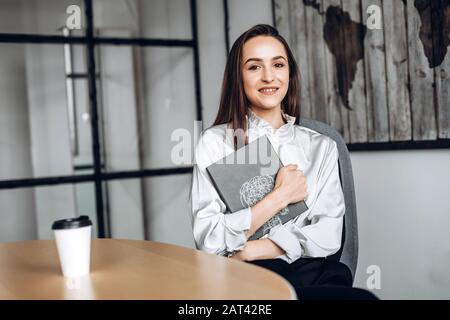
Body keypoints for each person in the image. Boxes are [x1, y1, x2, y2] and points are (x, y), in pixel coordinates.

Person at [190, 24, 377, 300]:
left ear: (290, 73)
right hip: (246, 280)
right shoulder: (215, 143)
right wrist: (280, 197)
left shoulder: (322, 146)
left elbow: (328, 234)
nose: (269, 77)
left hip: (311, 274)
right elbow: (209, 239)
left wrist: (252, 249)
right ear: (237, 77)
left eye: (278, 64)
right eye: (254, 67)